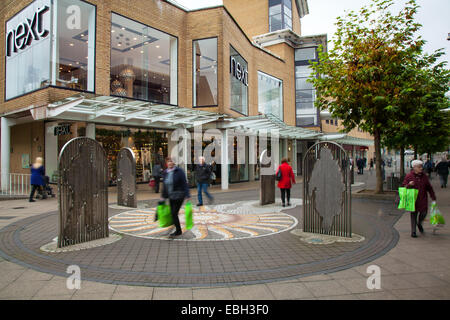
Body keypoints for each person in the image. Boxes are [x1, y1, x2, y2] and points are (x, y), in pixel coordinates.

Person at [401, 160, 436, 238]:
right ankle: (413, 231)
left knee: (424, 212)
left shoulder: (424, 176)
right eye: (419, 167)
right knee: (413, 214)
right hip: (413, 199)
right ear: (414, 168)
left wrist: (433, 196)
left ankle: (419, 223)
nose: (421, 168)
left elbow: (429, 187)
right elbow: (403, 187)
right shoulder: (409, 176)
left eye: (421, 166)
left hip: (423, 198)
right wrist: (409, 184)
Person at [160, 157, 190, 236]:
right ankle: (175, 226)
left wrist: (187, 195)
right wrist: (163, 196)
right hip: (171, 196)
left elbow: (184, 183)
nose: (170, 163)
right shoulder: (165, 172)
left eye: (171, 161)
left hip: (179, 195)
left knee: (174, 213)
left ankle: (178, 230)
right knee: (173, 213)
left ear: (174, 163)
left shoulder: (179, 171)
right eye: (168, 161)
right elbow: (165, 185)